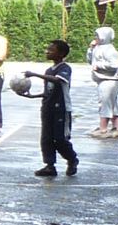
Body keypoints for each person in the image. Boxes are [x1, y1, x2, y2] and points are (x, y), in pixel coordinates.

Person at [21, 39, 79, 178]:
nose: (47, 51)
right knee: (46, 138)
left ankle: (72, 159)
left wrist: (34, 74)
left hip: (61, 109)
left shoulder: (64, 68)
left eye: (51, 50)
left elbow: (58, 80)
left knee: (60, 139)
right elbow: (48, 91)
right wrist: (33, 96)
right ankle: (49, 165)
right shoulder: (48, 70)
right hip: (47, 108)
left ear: (61, 54)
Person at [85, 25, 118, 140]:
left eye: (98, 36)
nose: (96, 38)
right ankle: (116, 128)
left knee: (104, 104)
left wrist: (99, 66)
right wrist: (91, 49)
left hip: (109, 81)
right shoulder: (98, 48)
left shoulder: (110, 50)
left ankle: (103, 129)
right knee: (112, 105)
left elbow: (114, 65)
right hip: (102, 80)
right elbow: (90, 61)